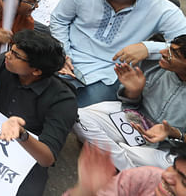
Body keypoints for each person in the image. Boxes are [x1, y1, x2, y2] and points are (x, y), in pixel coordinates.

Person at [0, 29, 77, 196]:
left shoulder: (63, 101)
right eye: (11, 49)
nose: (8, 55)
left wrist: (22, 134)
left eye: (16, 55)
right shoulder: (4, 62)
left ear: (36, 71)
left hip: (27, 148)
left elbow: (46, 158)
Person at [50, 0, 186, 107]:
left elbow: (183, 44)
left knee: (81, 113)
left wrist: (148, 48)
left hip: (110, 71)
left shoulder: (161, 9)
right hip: (67, 53)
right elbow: (59, 20)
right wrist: (62, 53)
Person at [73, 36, 186, 171]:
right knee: (77, 117)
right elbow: (131, 104)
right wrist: (133, 91)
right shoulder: (153, 65)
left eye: (174, 54)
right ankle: (126, 165)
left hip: (168, 147)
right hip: (134, 120)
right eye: (169, 49)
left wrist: (174, 133)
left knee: (172, 166)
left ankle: (110, 153)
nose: (163, 53)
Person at [64, 143, 186, 196]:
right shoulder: (147, 177)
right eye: (174, 167)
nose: (166, 176)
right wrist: (85, 191)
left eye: (184, 182)